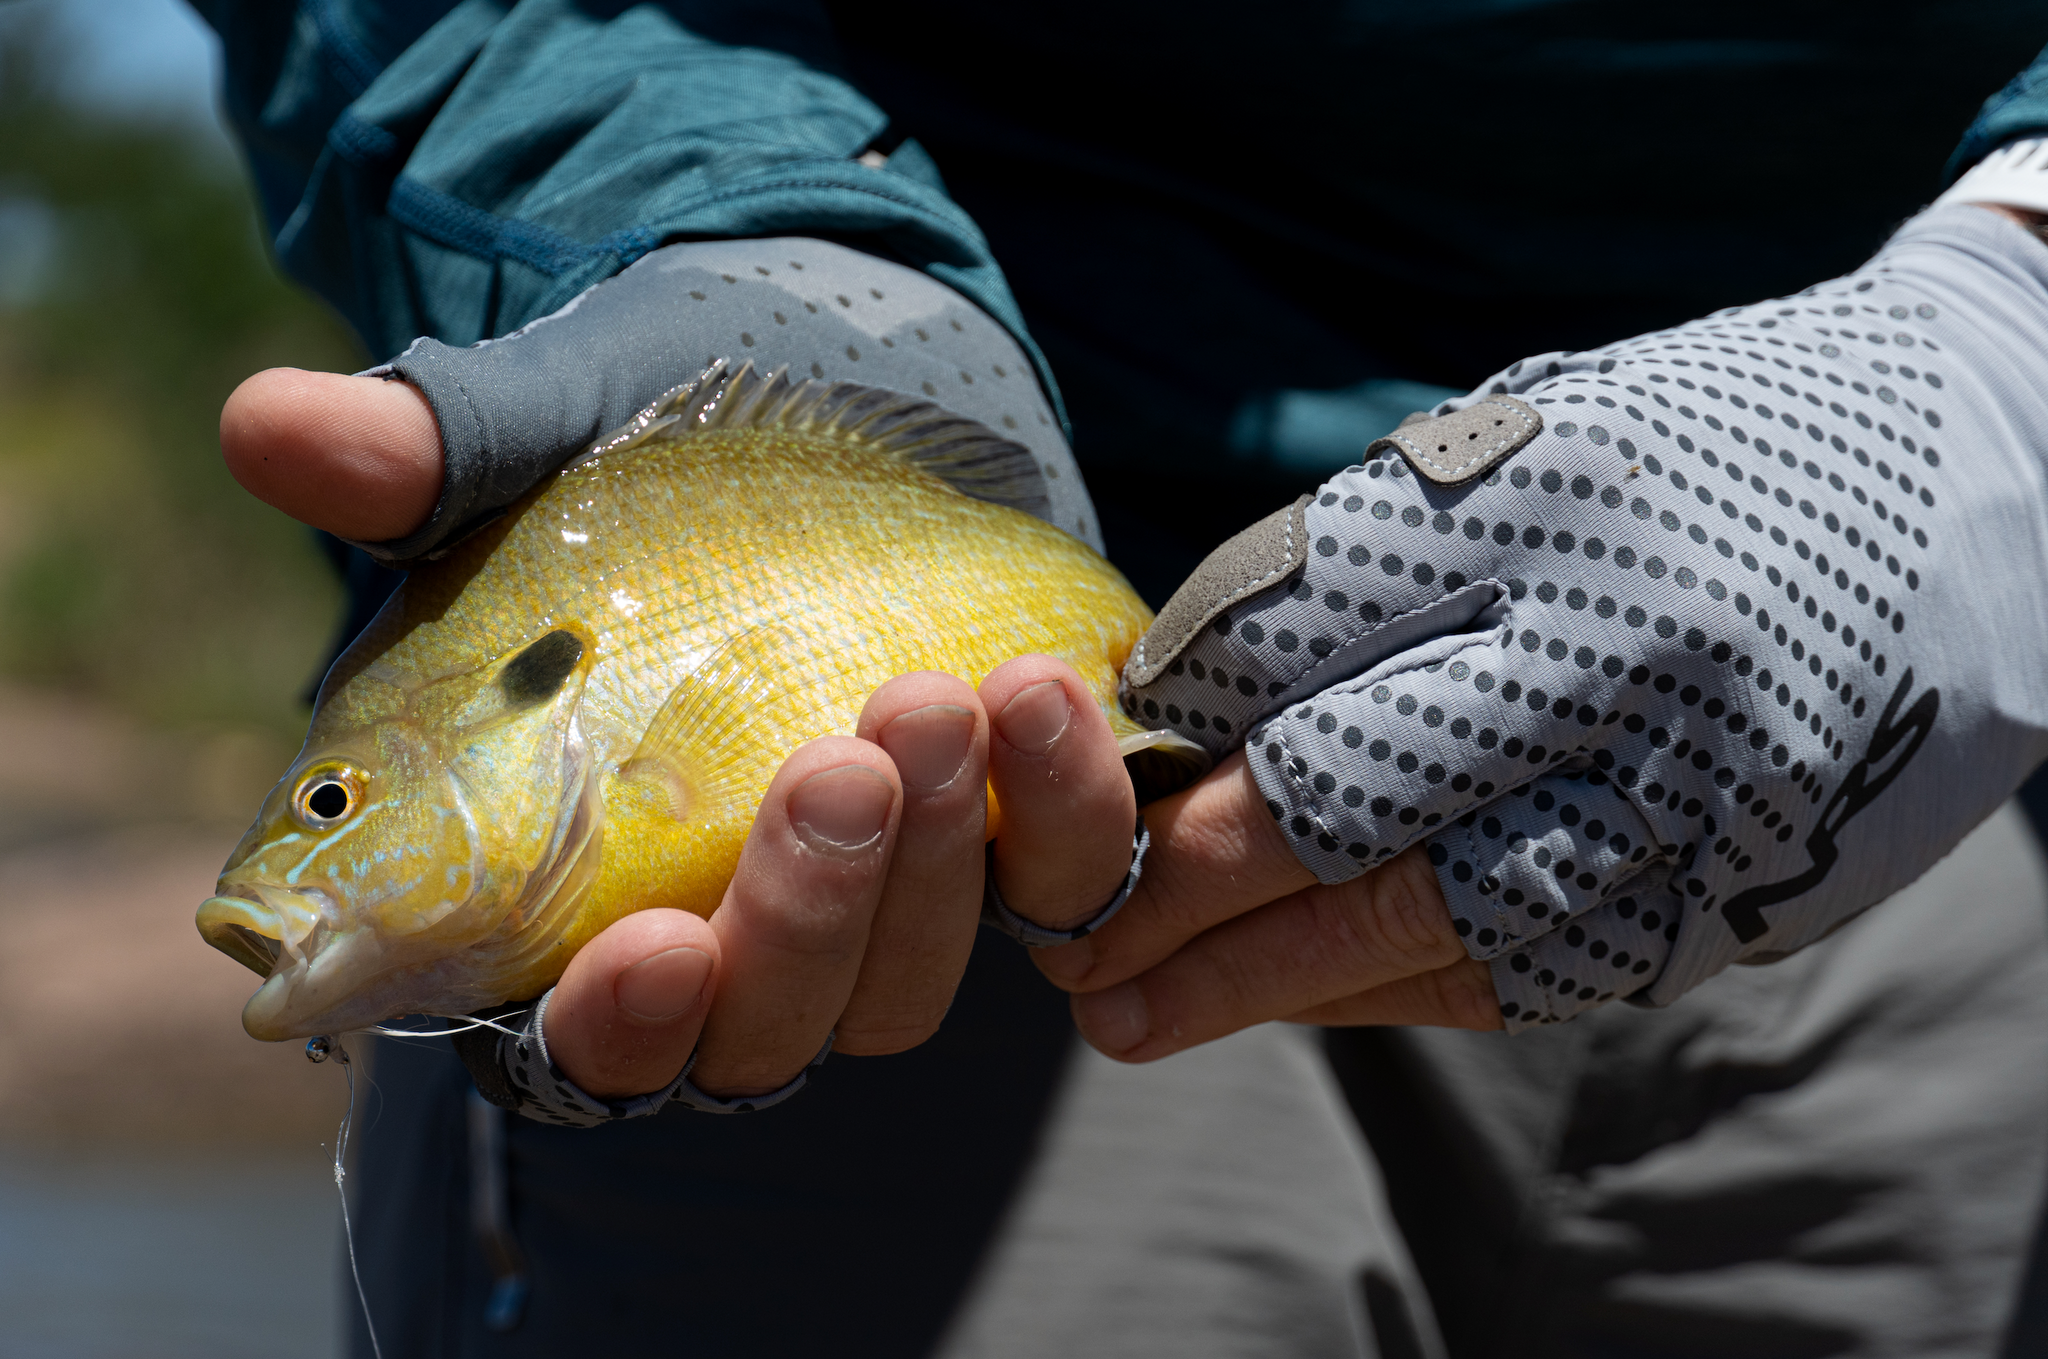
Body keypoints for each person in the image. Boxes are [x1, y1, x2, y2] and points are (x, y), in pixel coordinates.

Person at [194, 2, 2048, 1354]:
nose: (300, 850)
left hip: (1919, 704)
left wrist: (2006, 327)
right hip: (1030, 924)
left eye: (337, 805)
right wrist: (751, 222)